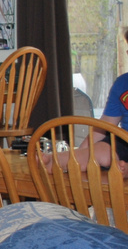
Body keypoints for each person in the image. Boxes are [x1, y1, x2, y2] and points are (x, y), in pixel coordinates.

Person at [46, 29, 128, 171]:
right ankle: (54, 161)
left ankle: (123, 170)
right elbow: (105, 126)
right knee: (103, 150)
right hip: (125, 141)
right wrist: (80, 151)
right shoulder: (122, 83)